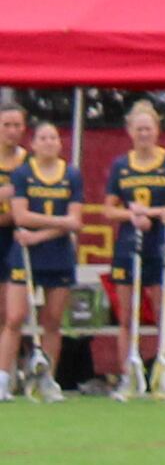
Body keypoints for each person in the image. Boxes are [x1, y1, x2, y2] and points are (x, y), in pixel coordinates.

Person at [104, 101, 165, 397]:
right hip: (129, 245)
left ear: (157, 130)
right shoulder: (121, 165)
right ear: (129, 131)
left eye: (148, 129)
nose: (143, 134)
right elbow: (109, 209)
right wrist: (131, 216)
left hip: (161, 244)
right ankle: (128, 376)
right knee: (127, 316)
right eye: (138, 129)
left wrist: (151, 213)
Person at [7, 121, 85, 400]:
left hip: (58, 255)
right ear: (34, 144)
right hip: (25, 254)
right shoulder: (23, 173)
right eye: (43, 138)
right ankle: (3, 379)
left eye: (53, 138)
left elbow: (76, 221)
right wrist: (61, 222)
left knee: (52, 321)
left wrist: (39, 235)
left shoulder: (71, 175)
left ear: (60, 143)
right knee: (14, 318)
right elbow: (21, 216)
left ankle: (47, 380)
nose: (49, 142)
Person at [0, 100, 27, 399]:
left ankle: (9, 374)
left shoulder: (28, 163)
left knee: (12, 313)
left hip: (17, 240)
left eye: (17, 125)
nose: (12, 130)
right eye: (6, 124)